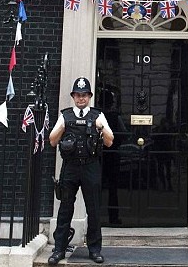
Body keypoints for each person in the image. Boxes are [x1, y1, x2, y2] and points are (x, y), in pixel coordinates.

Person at [48, 77, 114, 265]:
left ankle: (94, 250)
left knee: (93, 209)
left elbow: (110, 141)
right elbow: (52, 141)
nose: (81, 98)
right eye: (78, 95)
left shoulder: (97, 116)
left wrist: (100, 127)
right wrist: (62, 127)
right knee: (65, 208)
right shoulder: (66, 115)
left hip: (91, 166)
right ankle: (59, 249)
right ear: (73, 96)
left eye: (84, 95)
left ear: (90, 96)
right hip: (70, 167)